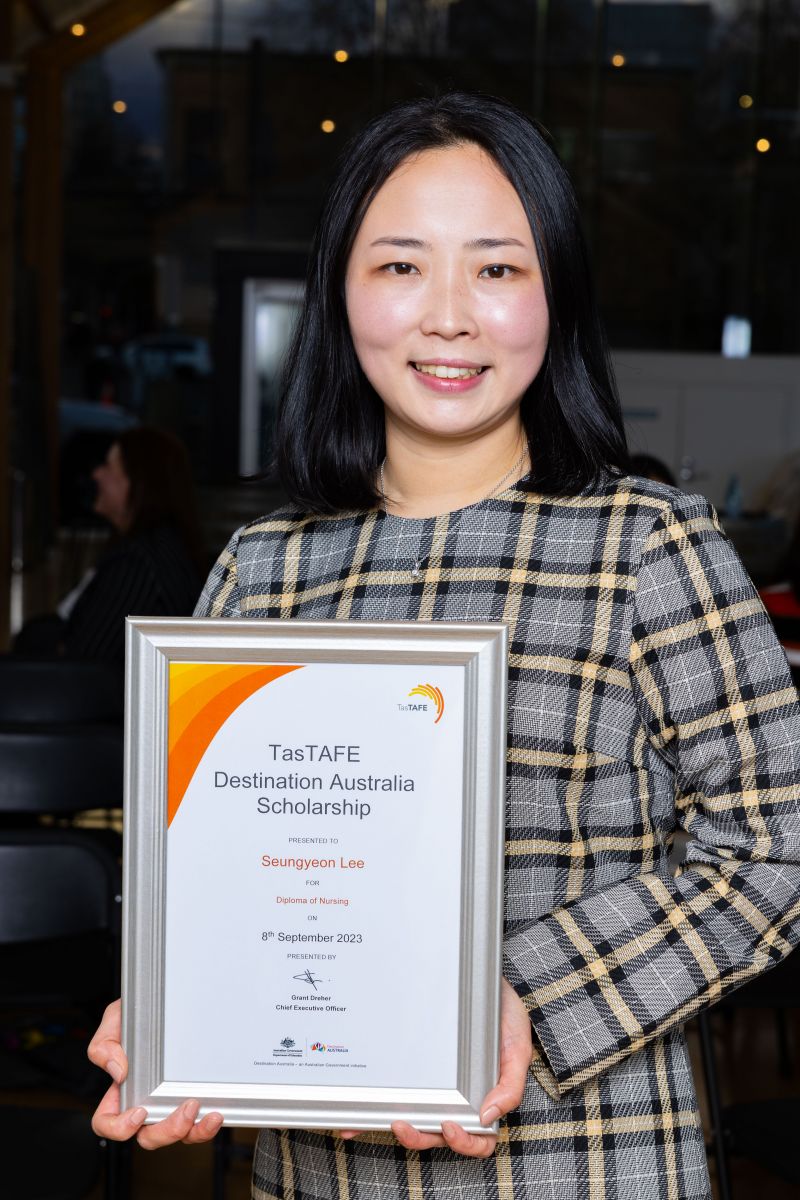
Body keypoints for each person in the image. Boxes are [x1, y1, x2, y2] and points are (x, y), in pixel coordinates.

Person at [88, 94, 800, 1199]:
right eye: (401, 266)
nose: (449, 317)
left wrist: (514, 1000)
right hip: (316, 1175)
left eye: (498, 269)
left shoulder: (647, 549)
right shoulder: (260, 573)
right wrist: (182, 1005)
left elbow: (775, 849)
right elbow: (219, 874)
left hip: (582, 1162)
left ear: (552, 296)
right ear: (340, 293)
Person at [15, 427, 206, 664]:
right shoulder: (157, 547)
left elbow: (84, 661)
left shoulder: (138, 563)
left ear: (137, 483)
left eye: (108, 466)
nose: (96, 474)